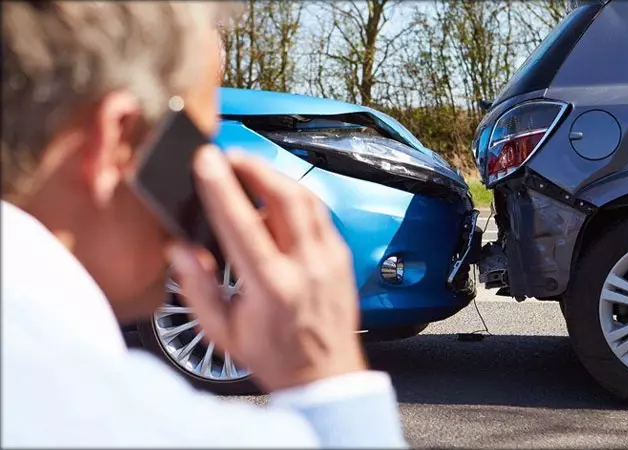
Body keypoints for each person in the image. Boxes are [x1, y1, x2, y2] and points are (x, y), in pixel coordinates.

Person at [1, 2, 406, 447]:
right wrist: (330, 380)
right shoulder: (119, 418)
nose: (203, 172)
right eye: (194, 141)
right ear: (116, 140)